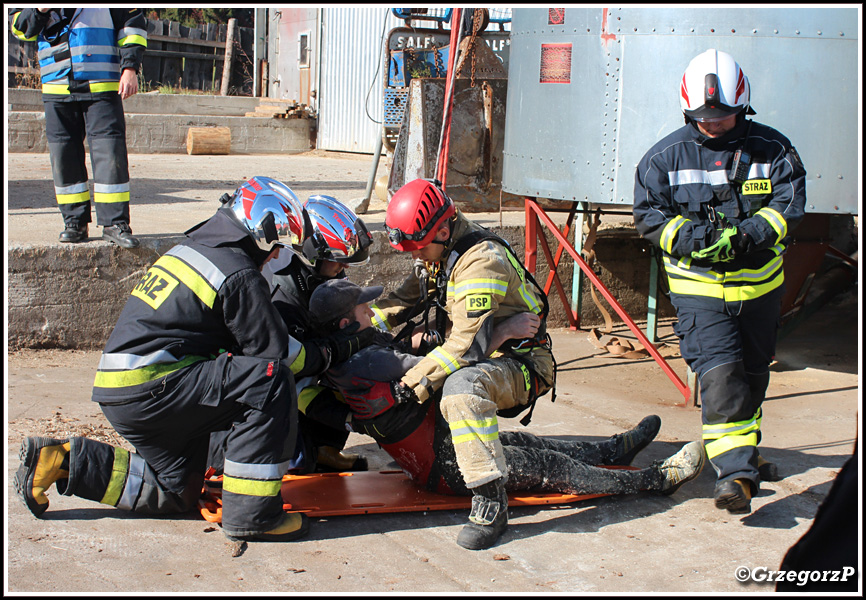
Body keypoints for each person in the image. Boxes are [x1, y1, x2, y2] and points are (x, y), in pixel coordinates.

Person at [14, 176, 375, 544]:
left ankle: (62, 461)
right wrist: (339, 348)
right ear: (263, 233)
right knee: (269, 379)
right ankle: (252, 516)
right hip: (156, 385)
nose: (276, 255)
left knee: (173, 492)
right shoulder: (237, 272)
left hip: (123, 391)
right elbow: (279, 356)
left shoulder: (193, 247)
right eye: (277, 245)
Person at [309, 278, 706, 549]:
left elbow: (391, 362)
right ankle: (656, 480)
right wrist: (503, 331)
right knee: (551, 467)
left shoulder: (342, 363)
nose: (373, 310)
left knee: (526, 443)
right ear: (346, 323)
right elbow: (451, 364)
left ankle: (615, 450)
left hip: (435, 456)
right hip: (449, 468)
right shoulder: (372, 361)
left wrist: (415, 340)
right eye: (365, 308)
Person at [632, 49, 806, 515]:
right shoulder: (663, 159)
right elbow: (648, 215)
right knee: (721, 376)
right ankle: (735, 477)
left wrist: (752, 233)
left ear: (742, 105)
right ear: (689, 109)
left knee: (752, 377)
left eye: (724, 115)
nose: (714, 123)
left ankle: (744, 454)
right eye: (705, 116)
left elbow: (789, 202)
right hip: (700, 295)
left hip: (760, 290)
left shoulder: (774, 150)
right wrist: (691, 239)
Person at [368, 178, 556, 549]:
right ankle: (438, 454)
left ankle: (490, 501)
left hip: (522, 363)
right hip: (484, 349)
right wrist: (358, 327)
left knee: (458, 388)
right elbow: (401, 302)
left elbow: (463, 348)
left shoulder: (480, 261)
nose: (415, 257)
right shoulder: (439, 250)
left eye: (419, 248)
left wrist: (406, 387)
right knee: (418, 367)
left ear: (441, 229)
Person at [10, 8, 146, 248]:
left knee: (110, 154)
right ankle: (74, 222)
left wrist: (130, 67)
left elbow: (132, 24)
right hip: (57, 85)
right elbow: (20, 28)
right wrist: (40, 10)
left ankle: (115, 224)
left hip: (103, 82)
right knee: (64, 157)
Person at [266, 194, 374, 473]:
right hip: (273, 388)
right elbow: (293, 375)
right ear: (312, 255)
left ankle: (324, 447)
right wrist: (349, 418)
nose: (345, 267)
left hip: (304, 373)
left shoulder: (324, 278)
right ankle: (301, 450)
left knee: (356, 359)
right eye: (338, 260)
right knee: (296, 465)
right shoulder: (283, 300)